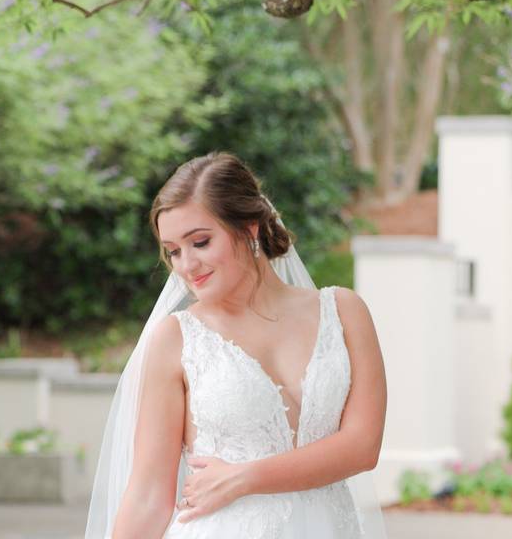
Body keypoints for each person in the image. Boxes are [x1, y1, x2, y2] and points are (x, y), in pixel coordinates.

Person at [85, 151, 389, 538]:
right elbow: (148, 495)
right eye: (174, 251)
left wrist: (243, 477)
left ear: (250, 228)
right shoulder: (176, 338)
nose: (186, 265)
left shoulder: (345, 312)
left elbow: (363, 447)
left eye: (200, 242)